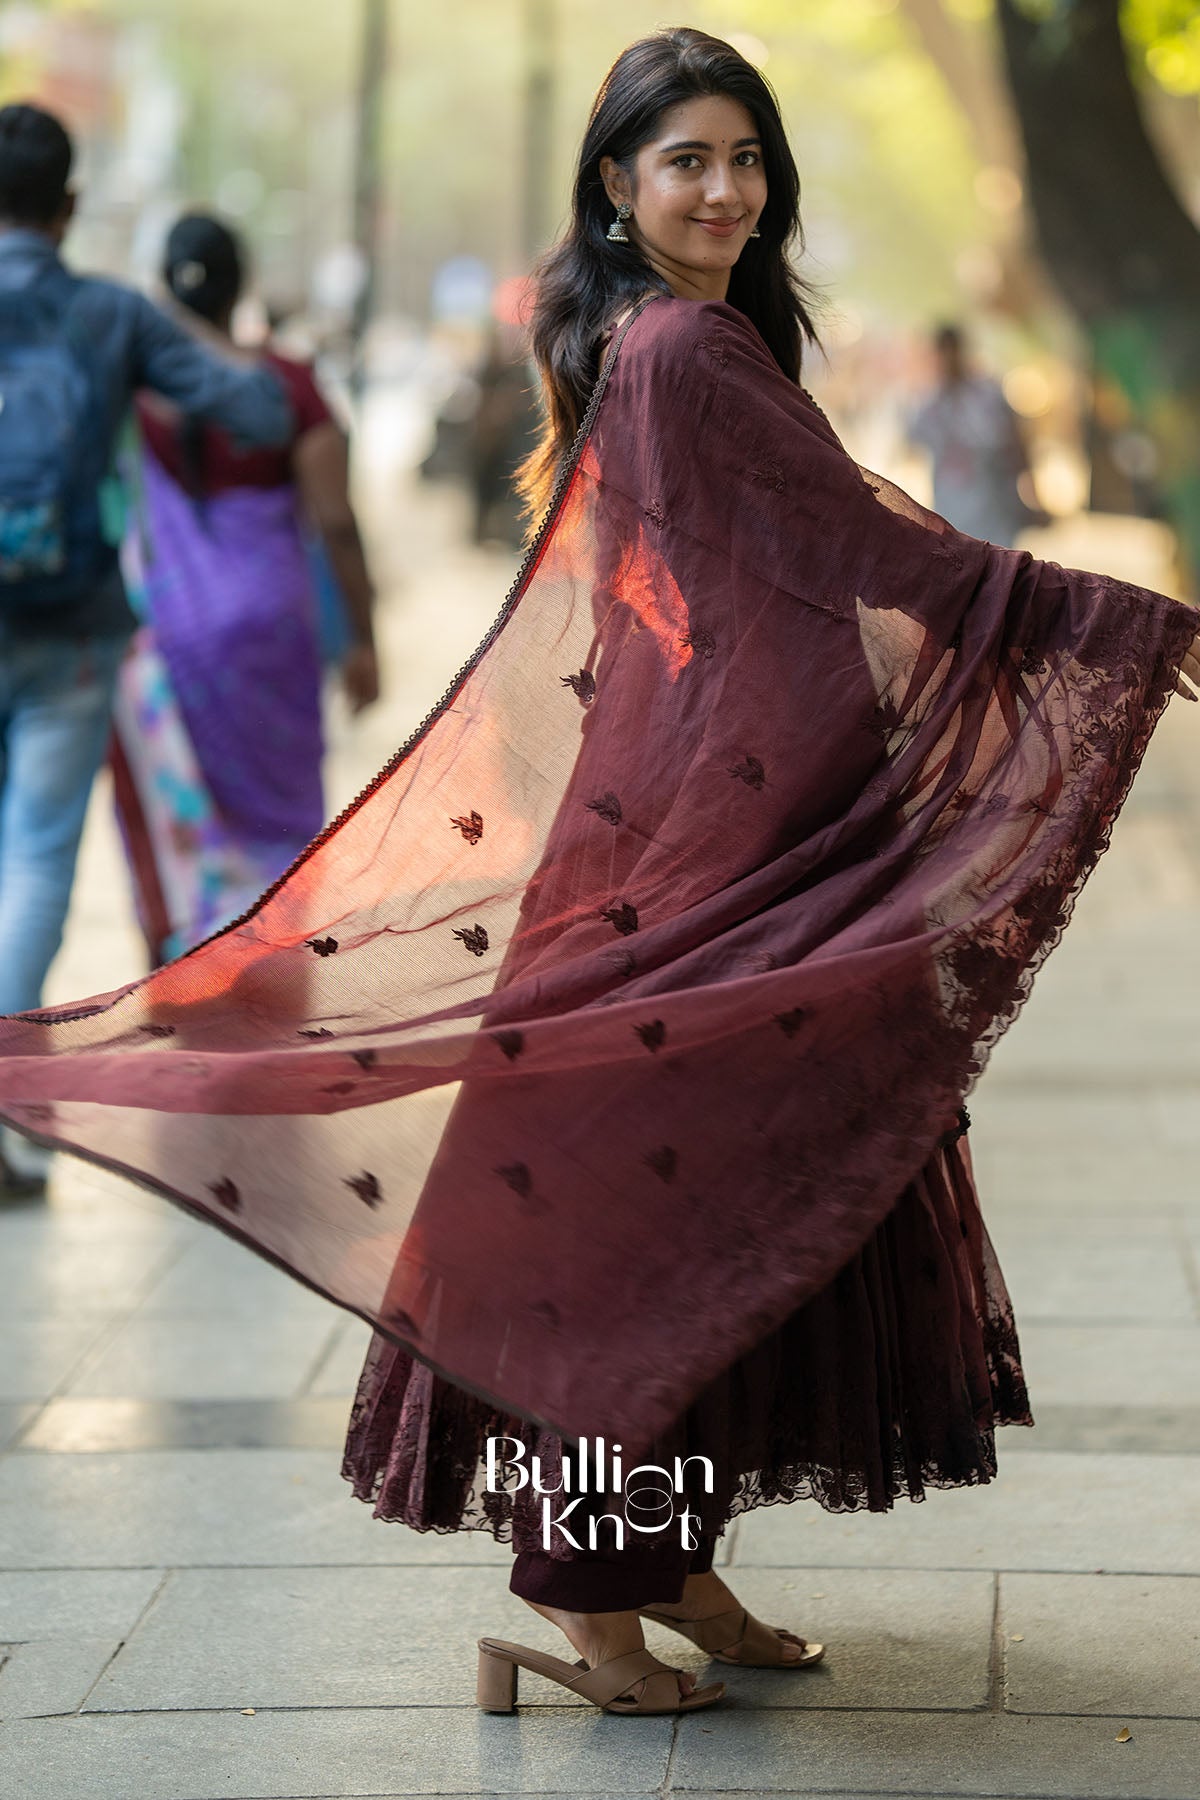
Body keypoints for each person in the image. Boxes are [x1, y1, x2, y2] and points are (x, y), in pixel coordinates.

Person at [1, 28, 1198, 1724]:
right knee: (653, 1233)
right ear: (620, 190)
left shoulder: (680, 345)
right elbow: (873, 554)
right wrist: (1112, 624)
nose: (725, 188)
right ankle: (594, 1607)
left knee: (742, 1215)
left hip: (735, 828)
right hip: (719, 846)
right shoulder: (687, 353)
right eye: (687, 160)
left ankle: (670, 1563)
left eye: (747, 157)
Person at [0, 103, 293, 1197]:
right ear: (69, 205)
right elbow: (257, 411)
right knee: (32, 860)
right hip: (72, 635)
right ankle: (2, 1105)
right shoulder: (111, 315)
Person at [111, 213, 379, 965]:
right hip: (273, 636)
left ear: (167, 288)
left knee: (173, 822)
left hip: (166, 642)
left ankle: (175, 979)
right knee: (279, 823)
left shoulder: (133, 392)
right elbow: (336, 521)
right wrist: (364, 637)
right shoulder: (289, 386)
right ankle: (269, 979)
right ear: (241, 287)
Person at [908, 323, 1046, 547]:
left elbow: (1017, 445)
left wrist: (1033, 492)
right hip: (952, 514)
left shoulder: (987, 396)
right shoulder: (929, 403)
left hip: (994, 511)